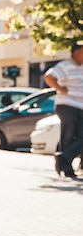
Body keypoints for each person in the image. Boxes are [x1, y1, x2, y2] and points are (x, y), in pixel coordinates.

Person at [44, 40, 83, 178]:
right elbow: (49, 76)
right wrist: (60, 89)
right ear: (77, 52)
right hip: (67, 104)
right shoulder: (65, 65)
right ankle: (66, 167)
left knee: (79, 136)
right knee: (68, 136)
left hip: (80, 106)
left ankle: (63, 159)